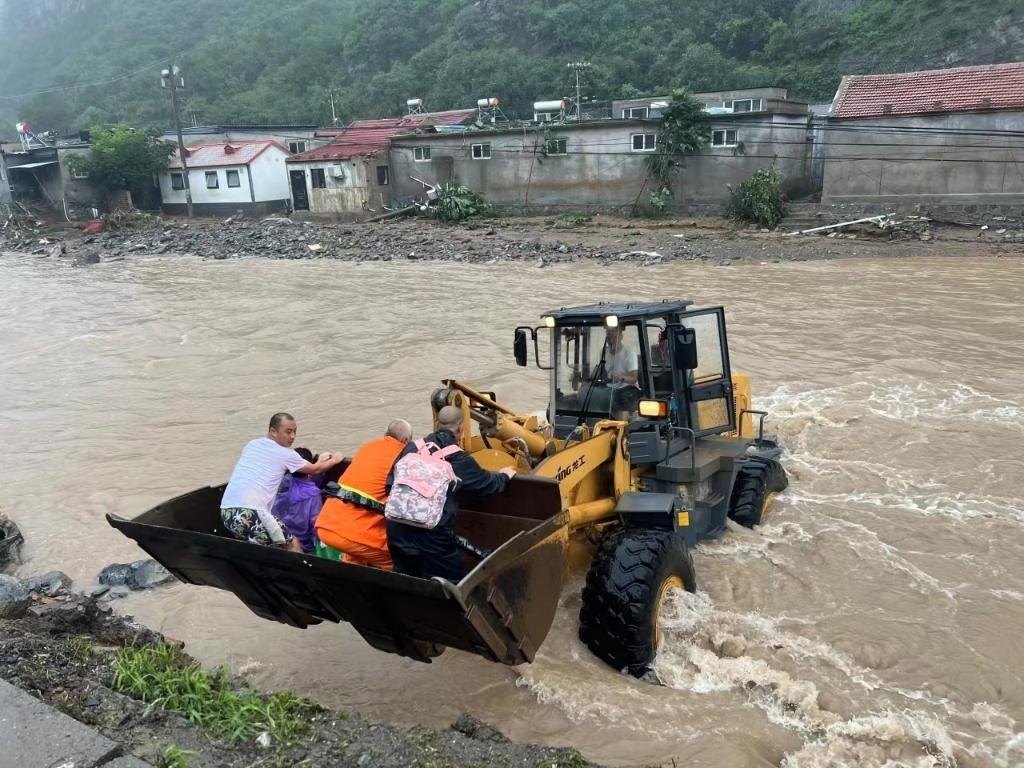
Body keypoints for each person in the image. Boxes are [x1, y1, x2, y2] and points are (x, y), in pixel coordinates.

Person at [386, 406, 515, 581]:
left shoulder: (411, 447)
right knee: (449, 584)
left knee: (405, 579)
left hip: (396, 528)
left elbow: (390, 484)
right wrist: (504, 475)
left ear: (437, 423)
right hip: (432, 535)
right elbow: (488, 485)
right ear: (461, 428)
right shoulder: (458, 458)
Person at [220, 413, 343, 552]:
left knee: (262, 548)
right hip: (251, 512)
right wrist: (334, 459)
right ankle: (303, 566)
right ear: (273, 431)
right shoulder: (286, 454)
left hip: (227, 511)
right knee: (292, 543)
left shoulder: (252, 444)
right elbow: (316, 469)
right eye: (288, 432)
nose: (293, 436)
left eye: (295, 432)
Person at [315, 419, 413, 569]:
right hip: (355, 534)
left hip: (325, 525)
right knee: (397, 559)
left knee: (356, 557)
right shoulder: (404, 456)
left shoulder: (368, 447)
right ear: (405, 440)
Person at [271, 447, 325, 554]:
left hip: (278, 536)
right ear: (310, 465)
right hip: (302, 543)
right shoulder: (313, 493)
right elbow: (315, 523)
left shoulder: (279, 483)